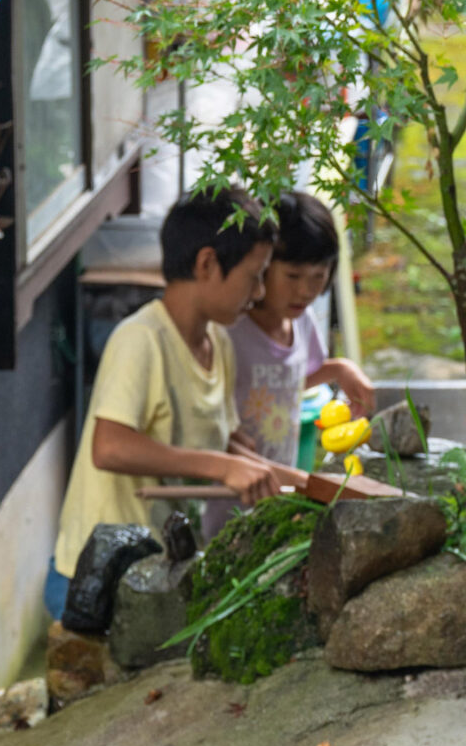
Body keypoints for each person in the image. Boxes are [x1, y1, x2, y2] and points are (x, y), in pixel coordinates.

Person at [45, 186, 290, 621]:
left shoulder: (219, 341)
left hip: (153, 571)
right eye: (254, 275)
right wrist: (221, 467)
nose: (258, 293)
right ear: (207, 264)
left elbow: (224, 440)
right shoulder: (139, 340)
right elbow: (110, 447)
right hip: (95, 578)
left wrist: (263, 472)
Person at [228, 191, 376, 469]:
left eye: (318, 277)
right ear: (261, 267)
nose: (306, 291)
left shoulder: (301, 321)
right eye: (292, 276)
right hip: (227, 494)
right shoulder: (232, 332)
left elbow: (289, 379)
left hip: (281, 480)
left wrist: (338, 369)